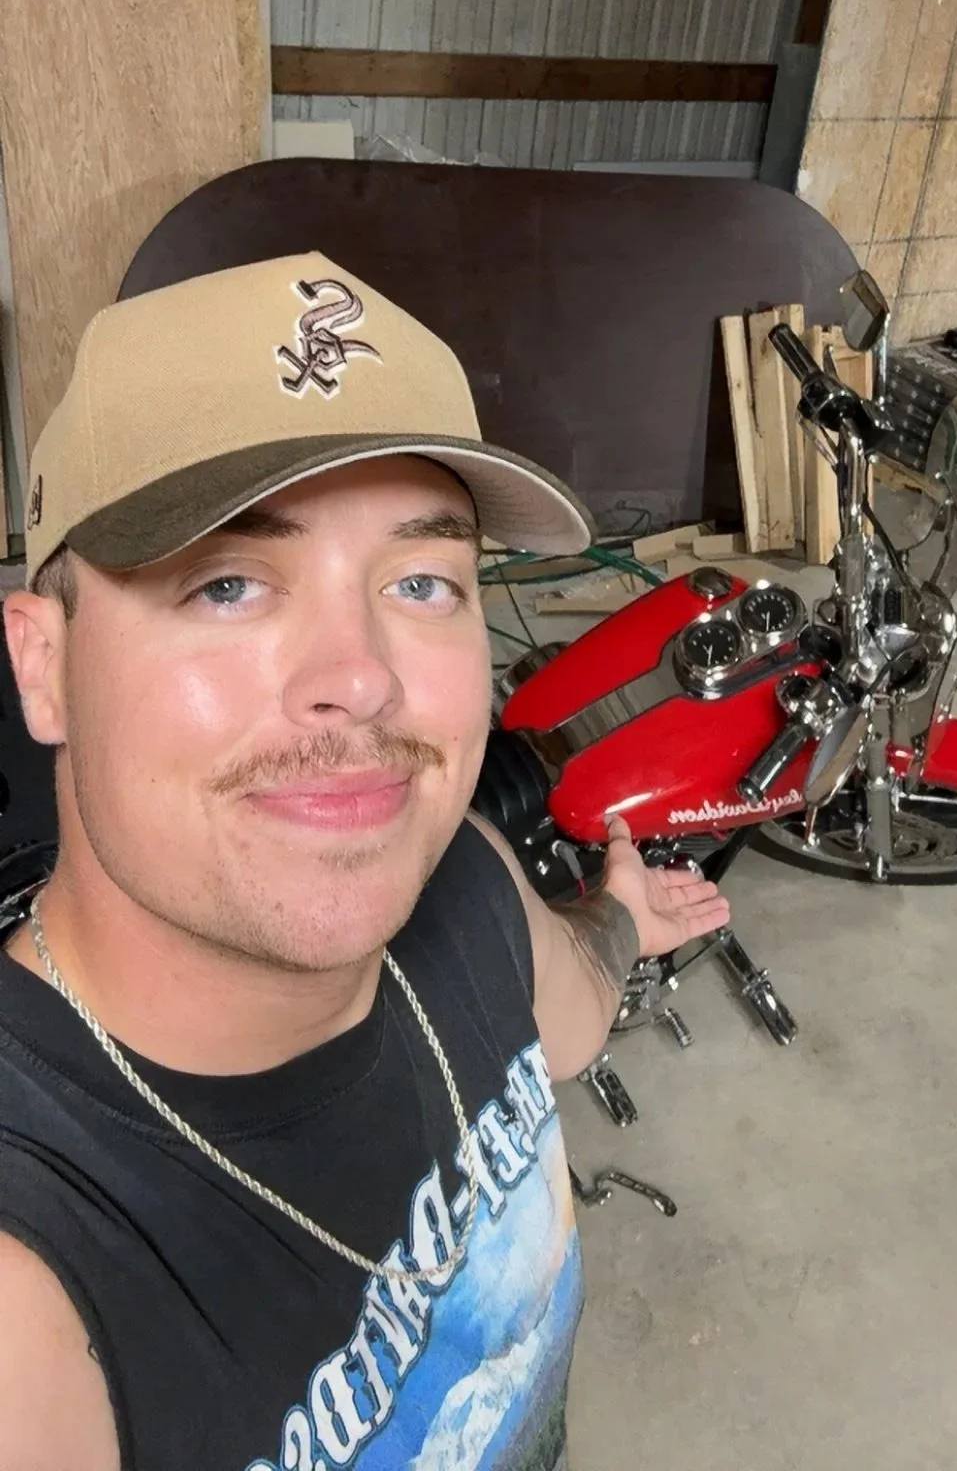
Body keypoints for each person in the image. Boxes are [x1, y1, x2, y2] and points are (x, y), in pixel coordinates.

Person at [0, 254, 728, 1471]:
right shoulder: (37, 1277)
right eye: (228, 583)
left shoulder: (472, 887)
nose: (363, 674)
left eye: (422, 580)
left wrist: (619, 919)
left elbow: (573, 1006)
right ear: (41, 664)